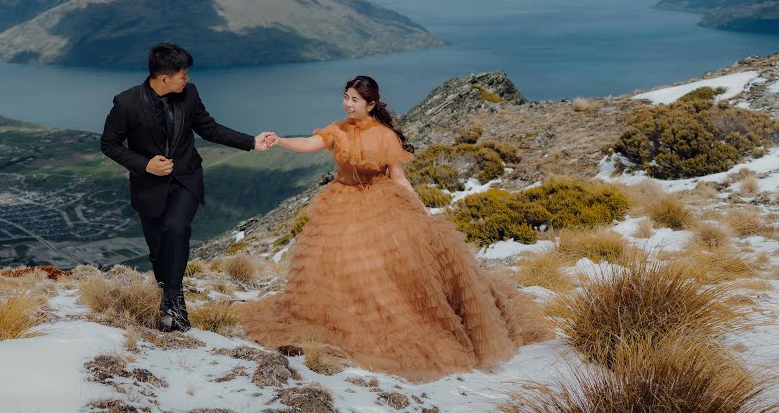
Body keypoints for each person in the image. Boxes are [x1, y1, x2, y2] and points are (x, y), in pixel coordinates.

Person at [240, 75, 548, 382]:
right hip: (340, 201)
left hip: (379, 202)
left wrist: (421, 210)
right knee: (333, 264)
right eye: (346, 97)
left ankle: (381, 323)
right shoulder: (338, 128)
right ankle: (341, 314)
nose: (348, 104)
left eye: (355, 100)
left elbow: (398, 178)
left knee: (381, 268)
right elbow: (310, 143)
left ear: (371, 104)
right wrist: (278, 140)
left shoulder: (386, 136)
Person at [101, 42, 275, 332]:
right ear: (164, 78)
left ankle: (171, 298)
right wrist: (145, 164)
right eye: (184, 74)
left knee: (177, 229)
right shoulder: (126, 103)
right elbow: (108, 144)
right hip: (149, 186)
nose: (188, 79)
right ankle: (171, 296)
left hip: (187, 178)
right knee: (158, 250)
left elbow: (209, 128)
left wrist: (252, 142)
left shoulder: (189, 94)